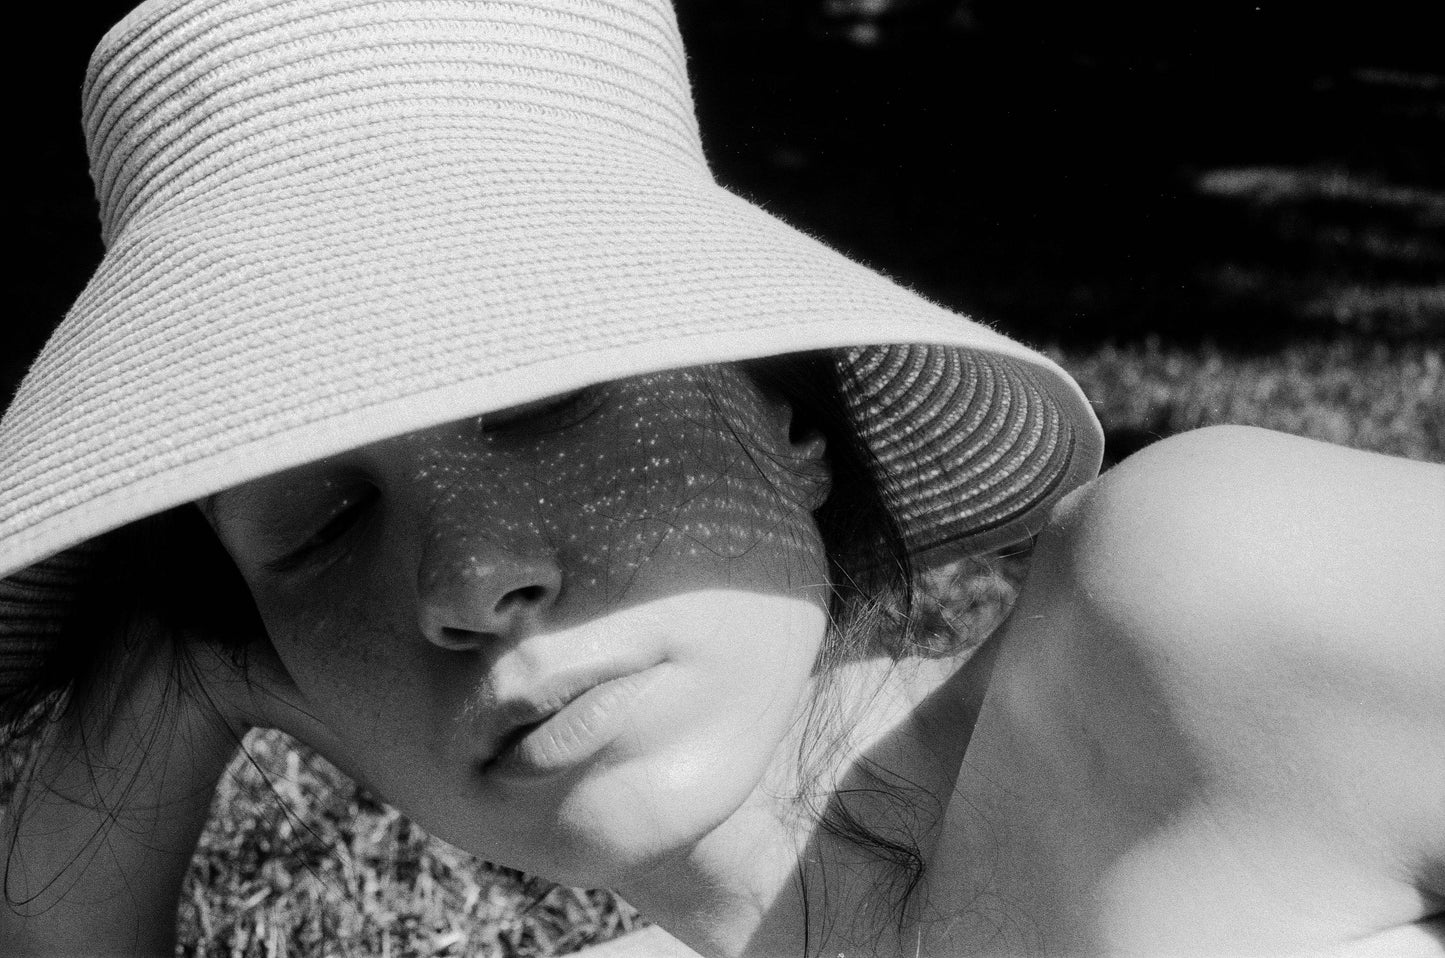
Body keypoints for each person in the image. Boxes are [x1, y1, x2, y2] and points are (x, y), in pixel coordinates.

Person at [1, 1, 1441, 956]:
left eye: (547, 399)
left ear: (794, 425)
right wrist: (173, 674)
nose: (468, 577)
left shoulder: (1201, 601)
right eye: (320, 524)